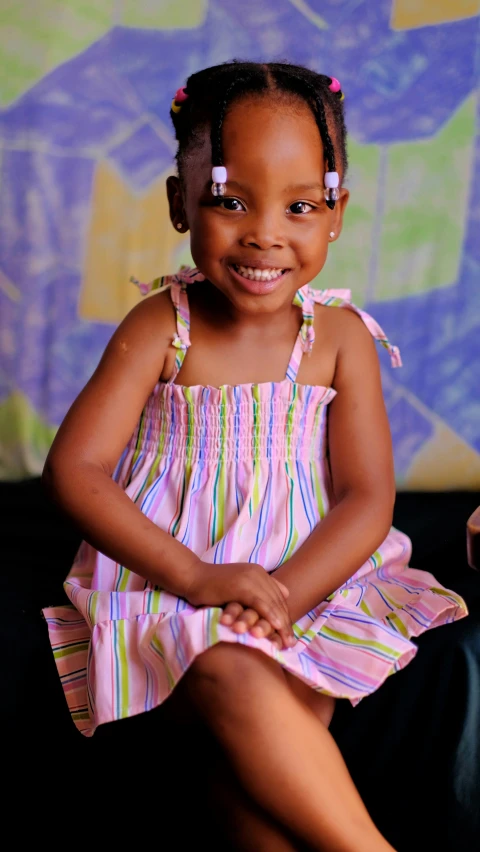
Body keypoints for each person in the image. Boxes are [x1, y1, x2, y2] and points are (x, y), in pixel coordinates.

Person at [43, 61, 467, 851]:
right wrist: (202, 579)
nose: (265, 233)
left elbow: (367, 497)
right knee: (233, 671)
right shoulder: (160, 328)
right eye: (229, 201)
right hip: (175, 584)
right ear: (179, 204)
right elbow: (75, 470)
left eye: (301, 205)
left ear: (337, 213)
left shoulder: (338, 340)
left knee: (260, 754)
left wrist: (281, 594)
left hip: (307, 581)